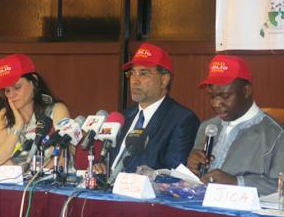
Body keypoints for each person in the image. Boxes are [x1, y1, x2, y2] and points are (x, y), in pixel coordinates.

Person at [187, 54, 284, 195]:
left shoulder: (275, 134)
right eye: (212, 96)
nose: (215, 103)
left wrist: (236, 182)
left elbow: (280, 186)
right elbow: (195, 180)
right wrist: (192, 166)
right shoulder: (207, 127)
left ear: (246, 91)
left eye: (225, 96)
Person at [105, 42, 200, 182]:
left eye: (143, 73)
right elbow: (108, 158)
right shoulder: (124, 116)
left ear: (164, 79)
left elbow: (172, 174)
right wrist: (101, 165)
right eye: (132, 73)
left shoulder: (182, 120)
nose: (135, 81)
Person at [0, 54, 71, 170]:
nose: (12, 95)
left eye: (17, 87)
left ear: (34, 82)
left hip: (50, 184)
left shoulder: (57, 110)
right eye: (7, 90)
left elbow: (61, 159)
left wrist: (26, 174)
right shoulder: (5, 115)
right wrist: (18, 126)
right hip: (18, 184)